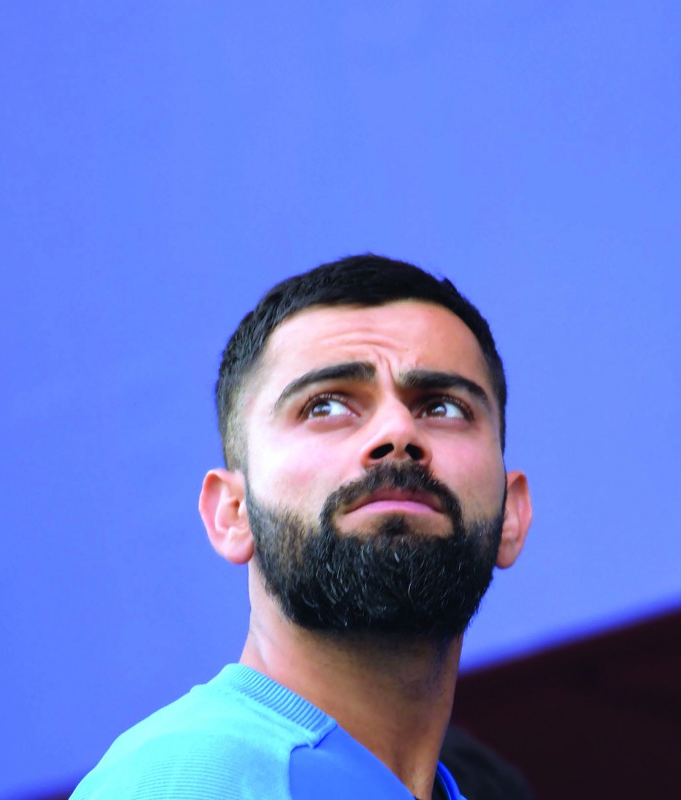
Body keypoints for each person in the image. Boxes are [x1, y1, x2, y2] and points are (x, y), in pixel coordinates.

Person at [72, 255, 533, 800]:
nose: (397, 431)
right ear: (232, 512)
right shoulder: (184, 778)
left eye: (443, 407)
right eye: (325, 405)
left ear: (512, 514)